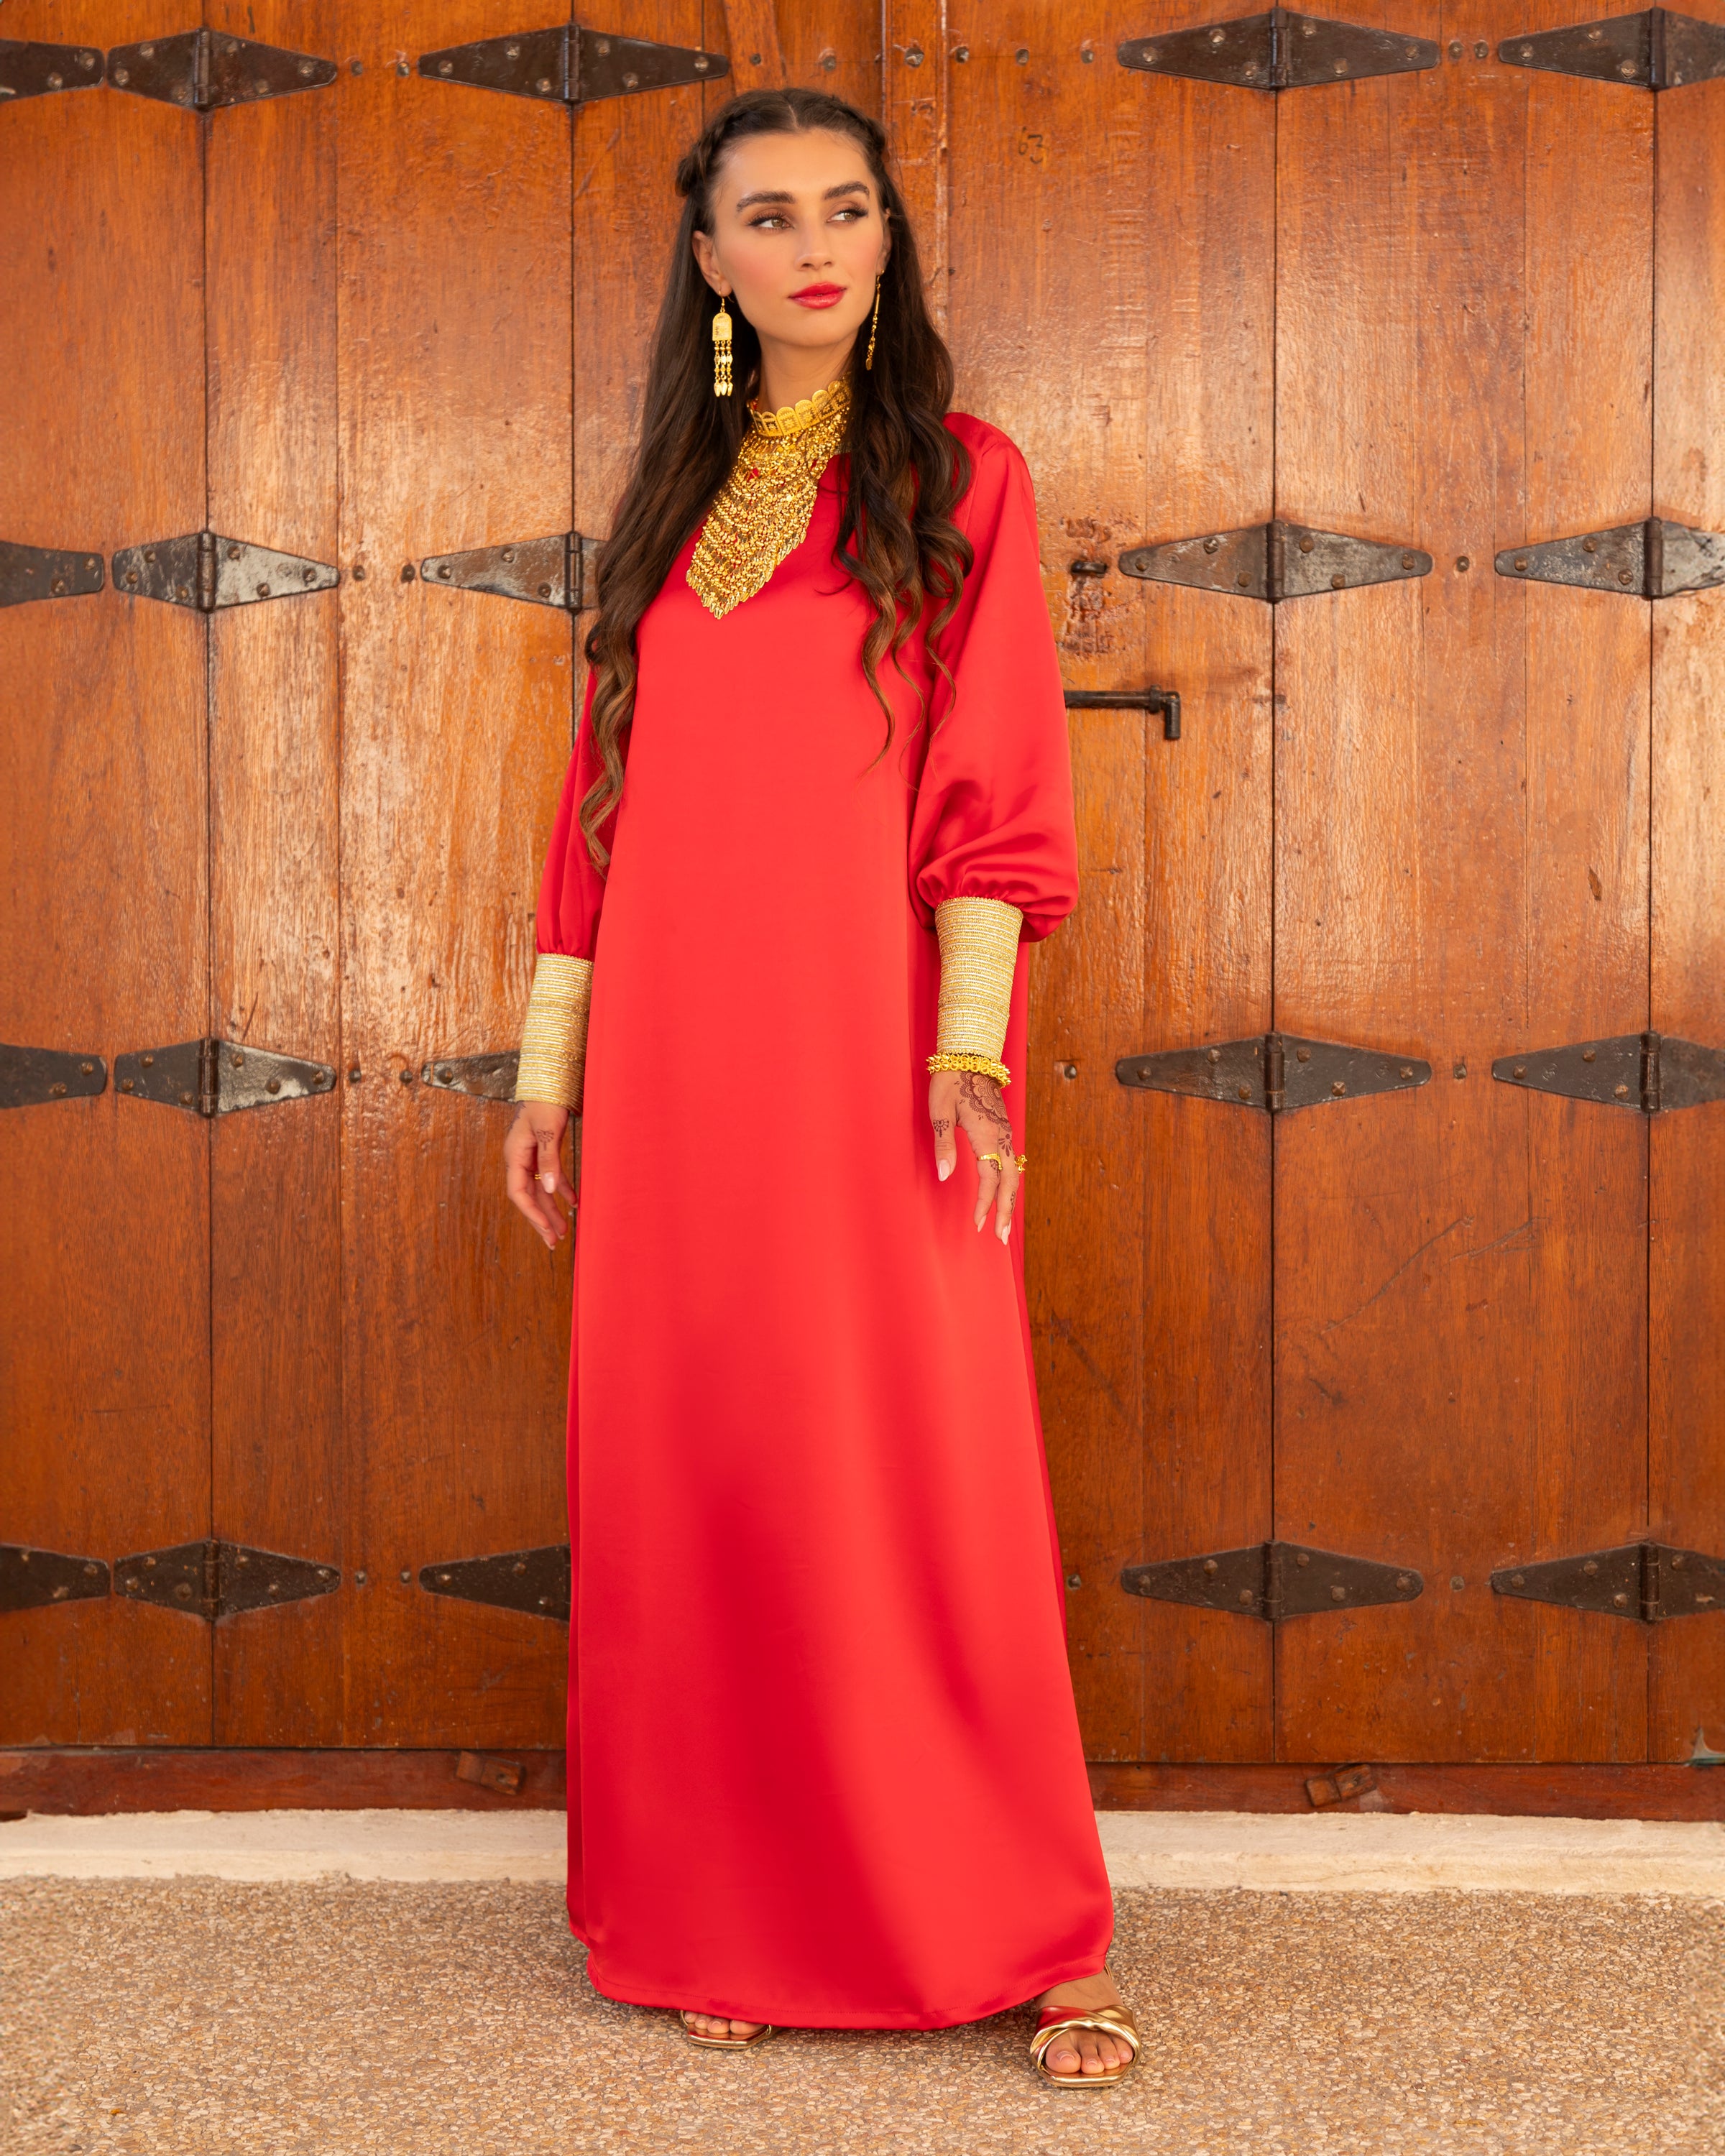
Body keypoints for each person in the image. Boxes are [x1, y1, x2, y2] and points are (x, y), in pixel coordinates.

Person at [502, 87, 1136, 2089]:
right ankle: (731, 1908)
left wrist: (970, 1045)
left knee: (911, 1463)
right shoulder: (666, 506)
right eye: (767, 216)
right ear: (709, 261)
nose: (812, 246)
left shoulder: (961, 476)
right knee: (707, 1465)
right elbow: (598, 803)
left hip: (872, 1042)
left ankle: (1021, 1926)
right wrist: (550, 1071)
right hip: (674, 1057)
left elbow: (996, 771)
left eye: (846, 209)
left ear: (886, 239)